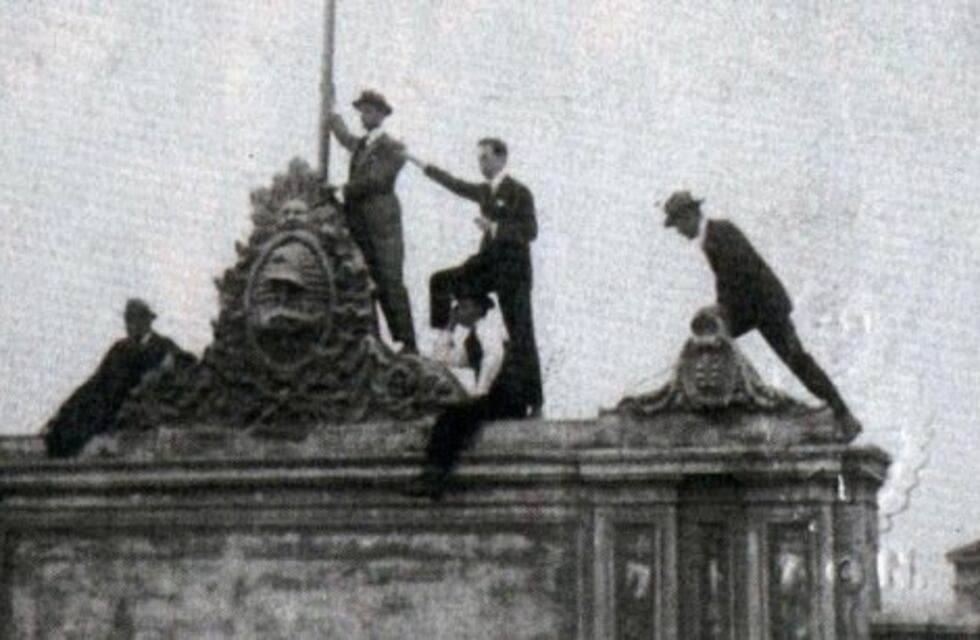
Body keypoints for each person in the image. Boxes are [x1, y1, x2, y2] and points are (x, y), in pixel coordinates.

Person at [661, 190, 862, 438]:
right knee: (715, 336)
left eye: (678, 224)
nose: (679, 232)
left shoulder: (719, 232)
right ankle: (742, 391)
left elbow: (736, 275)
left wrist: (721, 308)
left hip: (766, 307)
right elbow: (728, 280)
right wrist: (721, 309)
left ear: (689, 215)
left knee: (796, 359)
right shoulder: (711, 236)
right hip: (752, 307)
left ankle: (842, 414)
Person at [404, 138, 543, 413]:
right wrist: (414, 159)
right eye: (479, 159)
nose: (482, 164)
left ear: (502, 159)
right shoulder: (483, 191)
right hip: (488, 263)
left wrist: (494, 228)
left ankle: (535, 402)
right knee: (440, 281)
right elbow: (454, 184)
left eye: (487, 158)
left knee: (521, 331)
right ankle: (440, 347)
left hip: (513, 269)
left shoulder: (519, 192)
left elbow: (530, 231)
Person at [407, 293, 538, 500]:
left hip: (506, 397)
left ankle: (435, 476)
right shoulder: (472, 339)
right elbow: (441, 358)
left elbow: (494, 356)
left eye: (464, 307)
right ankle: (436, 475)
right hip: (500, 398)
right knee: (453, 417)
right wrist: (449, 326)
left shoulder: (486, 328)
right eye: (458, 308)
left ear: (479, 309)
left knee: (450, 417)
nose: (459, 312)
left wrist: (480, 391)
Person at [326, 89, 417, 353]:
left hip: (382, 227)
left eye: (368, 110)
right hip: (358, 225)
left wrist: (344, 188)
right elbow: (344, 137)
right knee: (364, 281)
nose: (363, 115)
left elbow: (380, 179)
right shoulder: (363, 144)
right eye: (361, 110)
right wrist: (332, 111)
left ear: (380, 114)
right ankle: (373, 341)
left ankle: (408, 343)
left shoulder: (392, 146)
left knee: (390, 281)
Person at [43, 299, 195, 457]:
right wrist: (68, 406)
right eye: (127, 320)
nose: (129, 325)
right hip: (110, 399)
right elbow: (99, 378)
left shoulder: (162, 345)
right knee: (78, 412)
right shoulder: (119, 348)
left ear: (146, 321)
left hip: (135, 400)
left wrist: (166, 366)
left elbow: (186, 362)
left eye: (133, 319)